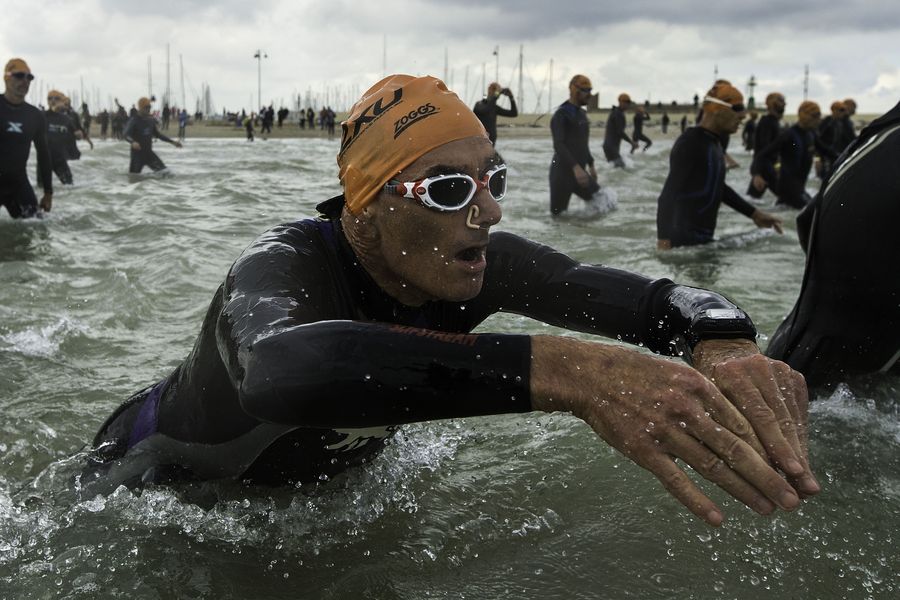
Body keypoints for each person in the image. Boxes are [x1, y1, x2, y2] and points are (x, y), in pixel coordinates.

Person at [83, 74, 819, 527]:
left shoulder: (469, 263)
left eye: (492, 180)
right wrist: (568, 374)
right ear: (365, 206)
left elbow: (651, 299)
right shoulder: (283, 265)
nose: (488, 213)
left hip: (301, 502)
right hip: (153, 495)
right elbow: (282, 372)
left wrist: (722, 335)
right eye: (447, 188)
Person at [767, 100, 900, 387]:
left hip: (794, 349)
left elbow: (806, 222)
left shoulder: (874, 138)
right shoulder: (791, 132)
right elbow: (763, 156)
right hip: (857, 373)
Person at [656, 82, 783, 249]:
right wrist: (664, 241)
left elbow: (718, 188)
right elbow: (668, 194)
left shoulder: (715, 143)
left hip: (703, 243)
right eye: (737, 109)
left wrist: (754, 214)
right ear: (717, 109)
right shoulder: (691, 142)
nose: (743, 115)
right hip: (682, 245)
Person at [750, 101, 836, 209]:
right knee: (814, 212)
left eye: (819, 116)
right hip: (787, 189)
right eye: (815, 116)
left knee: (815, 210)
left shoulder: (811, 134)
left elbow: (827, 151)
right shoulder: (789, 134)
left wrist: (847, 158)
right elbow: (762, 155)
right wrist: (757, 175)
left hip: (799, 189)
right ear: (803, 115)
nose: (818, 120)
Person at [548, 74, 608, 216]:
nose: (590, 95)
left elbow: (583, 144)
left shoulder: (582, 114)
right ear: (575, 91)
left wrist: (591, 165)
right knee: (558, 219)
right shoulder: (561, 115)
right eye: (586, 90)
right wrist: (576, 168)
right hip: (562, 175)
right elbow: (559, 145)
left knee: (604, 201)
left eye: (590, 90)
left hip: (580, 173)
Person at [0, 57, 52, 217]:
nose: (25, 81)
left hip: (18, 183)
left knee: (36, 228)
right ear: (7, 77)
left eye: (29, 77)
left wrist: (48, 192)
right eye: (19, 76)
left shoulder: (35, 115)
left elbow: (43, 154)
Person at [123, 97, 182, 175]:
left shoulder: (150, 121)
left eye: (149, 107)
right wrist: (132, 142)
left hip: (149, 154)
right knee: (134, 178)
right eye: (146, 107)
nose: (148, 109)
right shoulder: (134, 120)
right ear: (140, 108)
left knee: (165, 174)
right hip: (137, 156)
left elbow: (158, 135)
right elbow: (125, 134)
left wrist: (173, 142)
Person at [747, 92, 786, 198]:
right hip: (765, 167)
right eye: (781, 101)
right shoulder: (767, 122)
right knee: (786, 198)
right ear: (772, 104)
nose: (785, 104)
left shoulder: (775, 122)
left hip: (768, 167)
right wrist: (757, 173)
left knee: (753, 199)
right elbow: (763, 150)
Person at [42, 90, 77, 185]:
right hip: (44, 159)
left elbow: (74, 135)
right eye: (49, 98)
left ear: (62, 101)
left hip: (60, 159)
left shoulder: (66, 119)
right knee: (42, 189)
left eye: (56, 98)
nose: (53, 100)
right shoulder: (42, 116)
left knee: (69, 186)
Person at [472, 82, 519, 146]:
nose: (497, 94)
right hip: (479, 143)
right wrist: (497, 93)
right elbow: (486, 109)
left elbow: (513, 113)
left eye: (497, 92)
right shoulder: (479, 105)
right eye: (494, 91)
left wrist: (511, 97)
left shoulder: (494, 108)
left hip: (491, 144)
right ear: (488, 91)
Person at [603, 93, 637, 167]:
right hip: (611, 147)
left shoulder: (616, 112)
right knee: (621, 167)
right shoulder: (618, 114)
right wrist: (632, 142)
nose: (628, 104)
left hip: (610, 146)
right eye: (626, 102)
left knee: (615, 170)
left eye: (629, 102)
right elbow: (620, 132)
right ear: (620, 102)